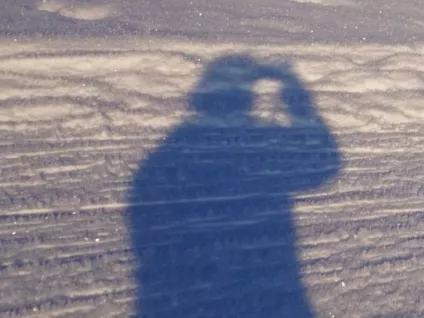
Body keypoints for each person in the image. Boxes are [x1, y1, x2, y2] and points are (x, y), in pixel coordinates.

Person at [128, 55, 340, 317]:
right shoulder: (259, 145)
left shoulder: (165, 156)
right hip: (261, 295)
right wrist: (298, 102)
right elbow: (323, 165)